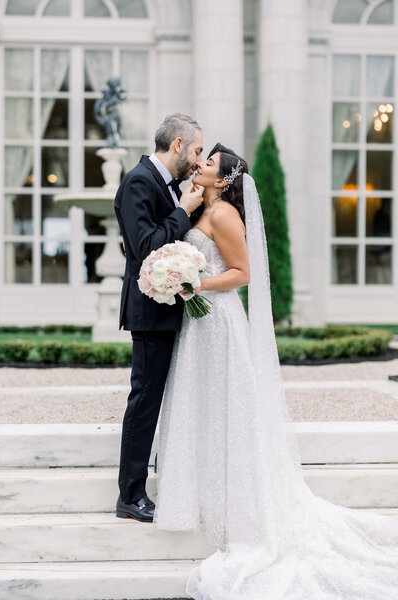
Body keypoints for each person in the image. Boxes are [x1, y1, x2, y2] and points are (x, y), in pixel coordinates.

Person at [154, 143, 398, 599]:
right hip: (198, 321)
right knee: (200, 400)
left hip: (219, 319)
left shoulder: (225, 214)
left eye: (209, 162)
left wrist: (195, 282)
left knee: (225, 402)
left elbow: (242, 273)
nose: (200, 165)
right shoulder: (198, 207)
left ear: (224, 179)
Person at [114, 114, 204, 521]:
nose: (199, 159)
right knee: (145, 401)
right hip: (150, 313)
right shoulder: (139, 181)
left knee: (154, 400)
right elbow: (145, 244)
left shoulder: (162, 184)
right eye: (198, 150)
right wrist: (183, 211)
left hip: (164, 309)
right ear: (180, 144)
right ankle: (130, 496)